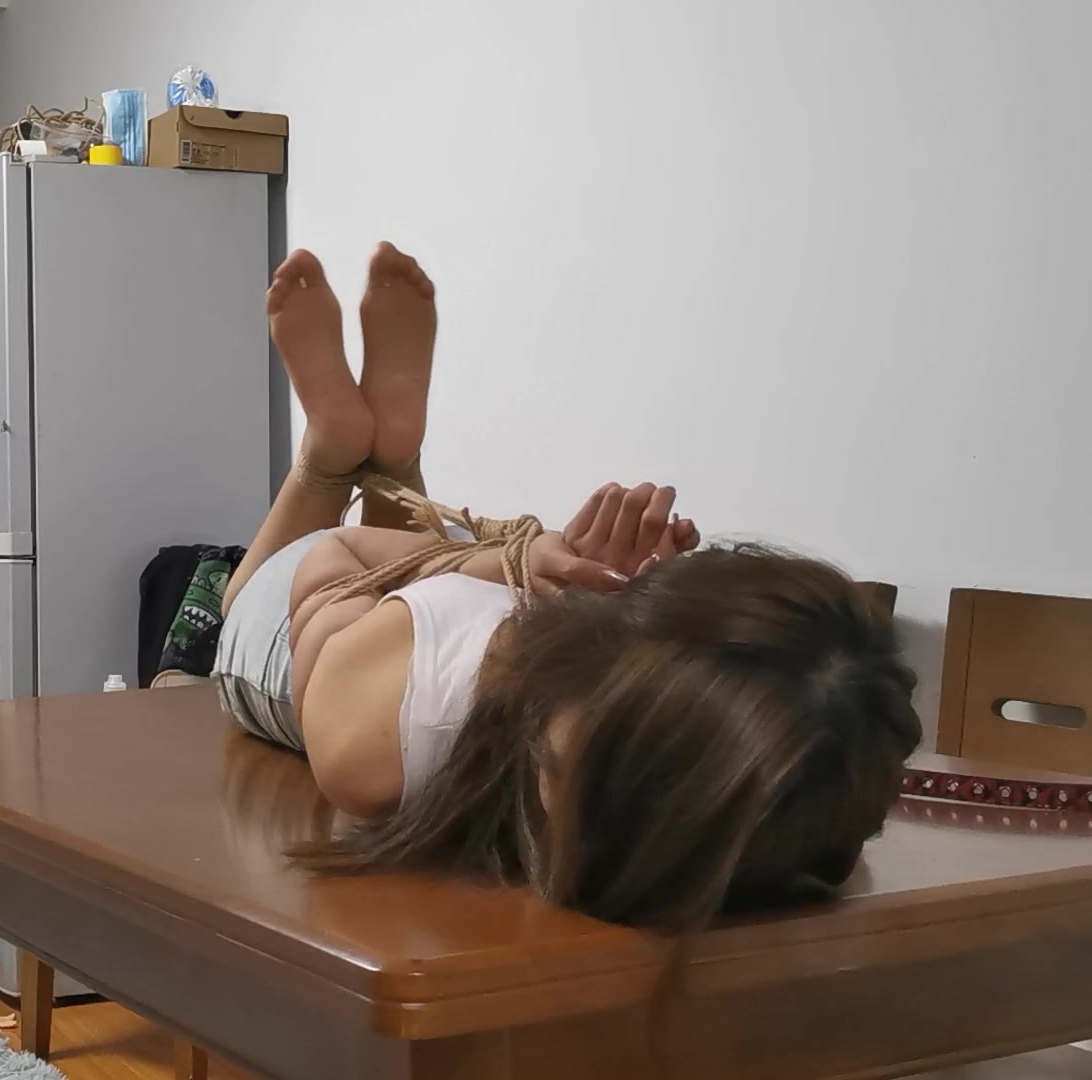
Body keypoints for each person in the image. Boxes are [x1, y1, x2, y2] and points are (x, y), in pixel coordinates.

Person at [215, 244, 921, 934]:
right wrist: (507, 563)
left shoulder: (372, 744)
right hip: (365, 632)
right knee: (240, 603)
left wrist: (504, 563)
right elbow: (339, 558)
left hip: (353, 644)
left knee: (275, 596)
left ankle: (350, 453)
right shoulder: (385, 741)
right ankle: (351, 457)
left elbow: (342, 567)